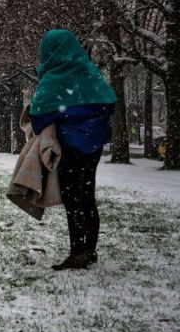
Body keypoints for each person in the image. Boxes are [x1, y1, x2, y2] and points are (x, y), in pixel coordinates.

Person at [29, 29, 116, 270]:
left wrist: (63, 115)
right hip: (94, 144)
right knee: (88, 195)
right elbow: (109, 103)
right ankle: (90, 249)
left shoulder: (53, 78)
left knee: (72, 198)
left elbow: (38, 119)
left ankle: (77, 252)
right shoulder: (89, 72)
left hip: (69, 145)